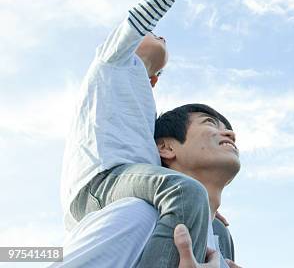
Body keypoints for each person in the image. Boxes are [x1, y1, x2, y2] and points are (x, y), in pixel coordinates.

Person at [60, 0, 227, 267]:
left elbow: (170, 162)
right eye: (153, 33)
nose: (160, 34)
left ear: (154, 80)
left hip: (130, 184)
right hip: (100, 182)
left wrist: (207, 211)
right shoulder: (112, 62)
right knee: (187, 193)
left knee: (217, 232)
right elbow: (144, 13)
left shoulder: (143, 104)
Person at [55, 103, 242, 267]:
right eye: (209, 122)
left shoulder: (221, 241)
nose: (230, 134)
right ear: (166, 148)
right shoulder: (138, 215)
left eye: (228, 129)